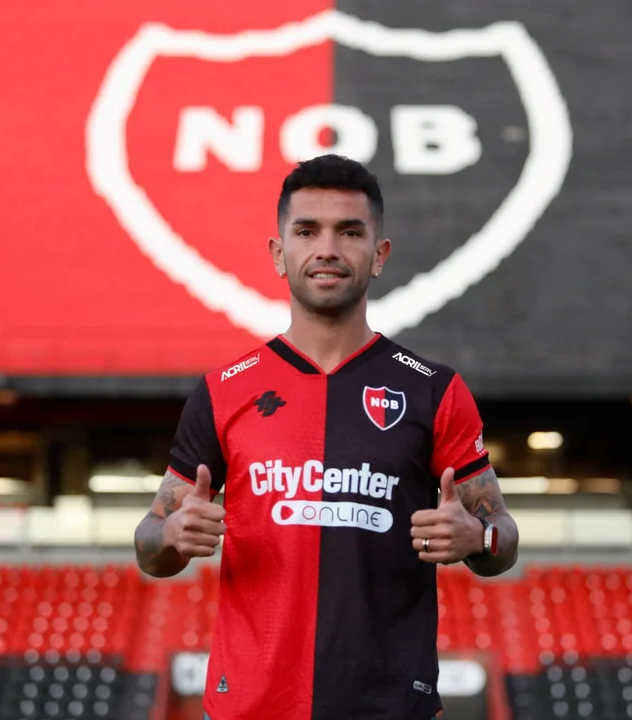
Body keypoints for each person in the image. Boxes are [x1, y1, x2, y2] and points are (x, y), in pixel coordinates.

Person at [134, 154, 519, 720]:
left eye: (350, 232)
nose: (328, 249)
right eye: (307, 231)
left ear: (380, 255)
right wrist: (171, 533)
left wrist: (478, 538)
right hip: (250, 709)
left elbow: (502, 537)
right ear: (278, 253)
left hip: (390, 710)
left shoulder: (434, 390)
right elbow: (148, 545)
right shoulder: (224, 391)